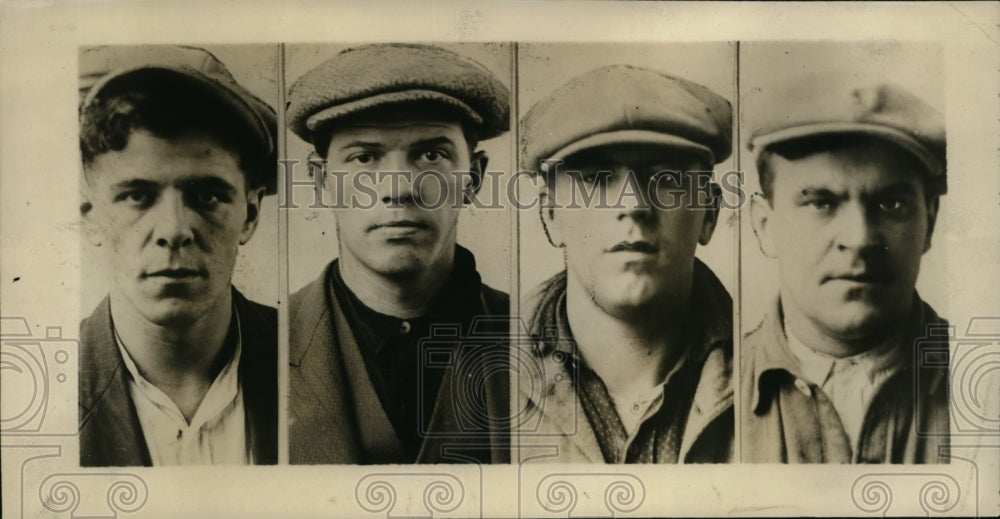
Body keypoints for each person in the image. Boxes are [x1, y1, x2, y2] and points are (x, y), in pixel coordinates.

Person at [286, 43, 511, 464]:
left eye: (431, 155)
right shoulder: (260, 349)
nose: (398, 187)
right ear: (321, 181)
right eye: (365, 157)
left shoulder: (538, 339)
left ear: (474, 178)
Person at [517, 65, 735, 463]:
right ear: (550, 214)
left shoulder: (780, 380)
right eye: (597, 179)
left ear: (709, 213)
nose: (633, 204)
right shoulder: (483, 376)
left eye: (666, 178)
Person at [78, 45, 279, 466]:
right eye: (137, 196)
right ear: (90, 216)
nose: (173, 230)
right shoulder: (34, 388)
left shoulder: (314, 360)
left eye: (206, 195)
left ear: (251, 214)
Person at [742, 70, 950, 463]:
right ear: (764, 226)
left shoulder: (985, 387)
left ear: (930, 223)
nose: (858, 238)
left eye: (892, 205)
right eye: (821, 202)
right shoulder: (707, 398)